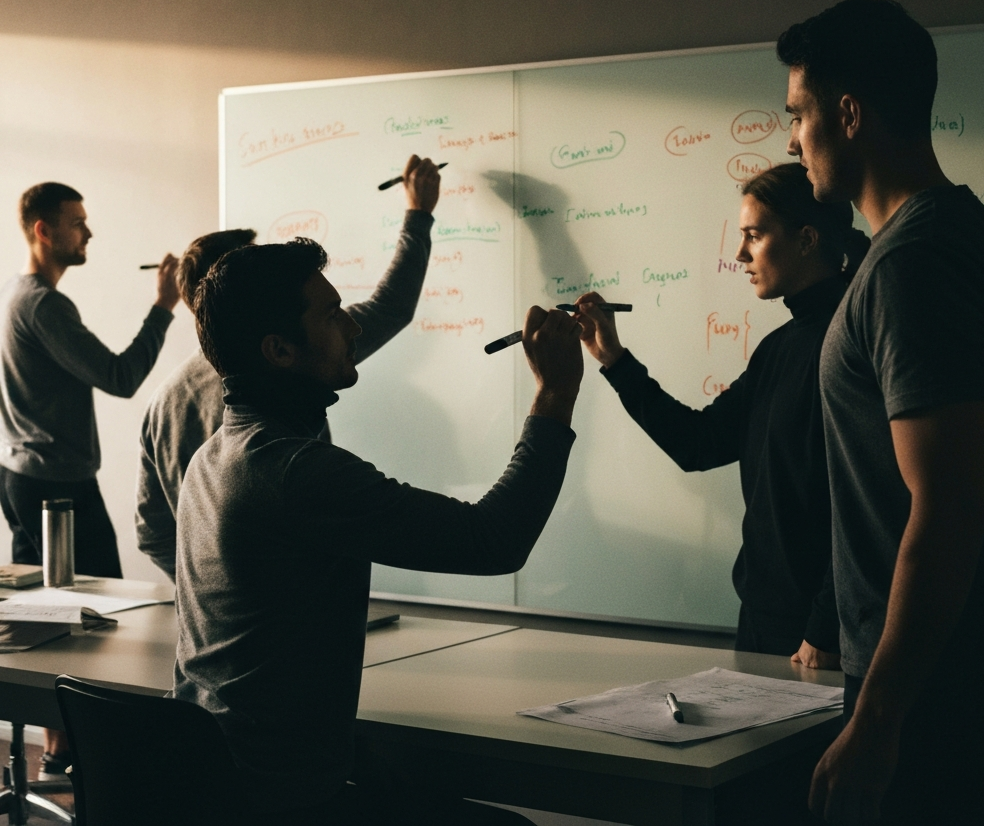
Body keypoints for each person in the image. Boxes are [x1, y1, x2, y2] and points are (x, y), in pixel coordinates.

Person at [173, 236, 583, 823]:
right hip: (285, 801)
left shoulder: (214, 456)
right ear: (280, 350)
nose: (353, 329)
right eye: (332, 315)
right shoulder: (295, 471)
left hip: (218, 782)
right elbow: (495, 540)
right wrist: (557, 391)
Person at [779, 0, 984, 824]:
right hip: (959, 679)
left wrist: (878, 719)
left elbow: (953, 504)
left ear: (848, 116)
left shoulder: (912, 266)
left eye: (799, 115)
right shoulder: (977, 239)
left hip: (933, 697)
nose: (790, 141)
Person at [575, 163, 867, 667]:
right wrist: (614, 360)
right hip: (763, 619)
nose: (739, 255)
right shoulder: (778, 348)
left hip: (819, 636)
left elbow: (862, 504)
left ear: (805, 239)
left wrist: (824, 626)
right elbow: (700, 443)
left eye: (754, 236)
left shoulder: (849, 341)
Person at [135, 154, 441, 580]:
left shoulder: (162, 402)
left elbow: (152, 533)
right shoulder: (300, 351)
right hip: (297, 623)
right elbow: (390, 306)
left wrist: (209, 594)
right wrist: (419, 214)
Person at [0, 180, 179, 776]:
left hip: (22, 476)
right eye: (77, 223)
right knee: (96, 625)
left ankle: (57, 751)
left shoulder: (18, 296)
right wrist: (164, 306)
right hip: (58, 487)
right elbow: (122, 376)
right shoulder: (45, 306)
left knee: (44, 623)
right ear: (43, 231)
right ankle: (105, 766)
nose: (89, 232)